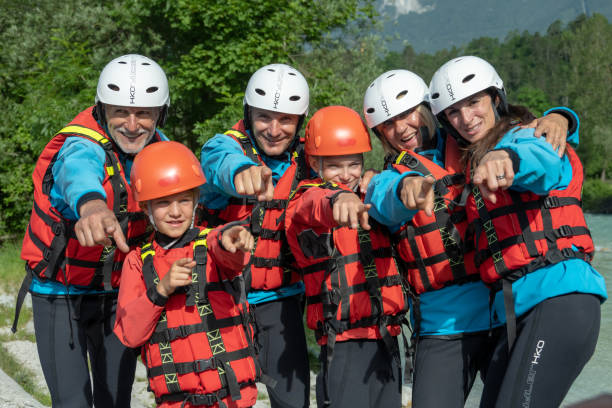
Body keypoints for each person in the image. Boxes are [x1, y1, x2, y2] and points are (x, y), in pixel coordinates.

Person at [362, 68, 578, 407]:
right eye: (387, 124)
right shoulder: (387, 179)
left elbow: (530, 144)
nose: (401, 128)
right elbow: (381, 200)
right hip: (443, 325)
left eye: (407, 114)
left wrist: (561, 118)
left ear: (432, 109)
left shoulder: (478, 142)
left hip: (504, 313)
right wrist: (404, 188)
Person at [428, 55, 606, 408]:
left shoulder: (530, 136)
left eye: (473, 102)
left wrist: (506, 159)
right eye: (454, 112)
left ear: (496, 99)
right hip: (514, 312)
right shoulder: (468, 160)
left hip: (558, 301)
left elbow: (542, 163)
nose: (466, 119)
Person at [18, 54, 170, 407]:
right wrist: (91, 205)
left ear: (160, 114)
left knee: (116, 400)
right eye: (120, 112)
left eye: (144, 113)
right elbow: (77, 172)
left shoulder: (161, 153)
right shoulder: (79, 145)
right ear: (101, 110)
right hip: (59, 291)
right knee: (72, 401)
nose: (132, 125)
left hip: (118, 295)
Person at [114, 141, 259, 408]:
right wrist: (161, 290)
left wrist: (233, 237)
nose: (176, 211)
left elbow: (229, 251)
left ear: (195, 200)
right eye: (163, 202)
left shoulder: (213, 243)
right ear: (145, 207)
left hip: (231, 400)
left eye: (184, 200)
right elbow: (130, 334)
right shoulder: (137, 262)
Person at [199, 63, 310, 407]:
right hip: (221, 300)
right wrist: (242, 171)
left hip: (280, 300)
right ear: (248, 115)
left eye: (286, 120)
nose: (274, 130)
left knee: (292, 402)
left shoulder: (307, 159)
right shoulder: (224, 148)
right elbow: (218, 161)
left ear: (300, 122)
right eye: (263, 117)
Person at [285, 105, 409, 407]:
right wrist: (337, 198)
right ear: (314, 163)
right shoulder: (304, 200)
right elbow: (314, 205)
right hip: (342, 344)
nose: (346, 175)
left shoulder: (372, 196)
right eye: (334, 166)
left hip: (386, 338)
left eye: (354, 164)